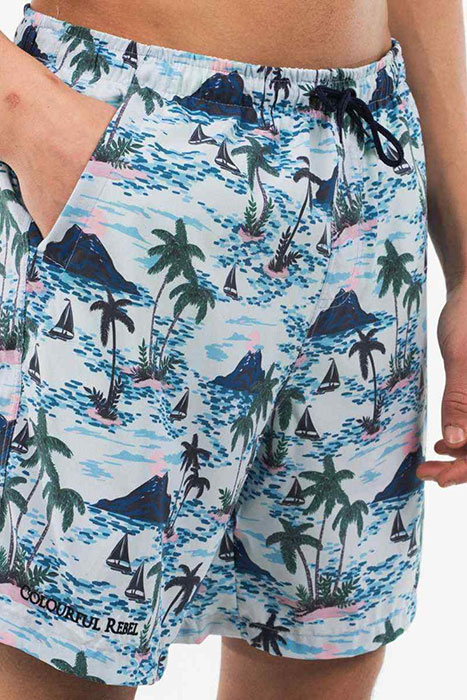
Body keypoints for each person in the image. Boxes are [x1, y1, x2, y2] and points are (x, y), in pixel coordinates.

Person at [0, 0, 465, 698]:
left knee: (324, 640)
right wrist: (24, 109)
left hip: (369, 156)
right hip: (138, 138)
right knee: (62, 656)